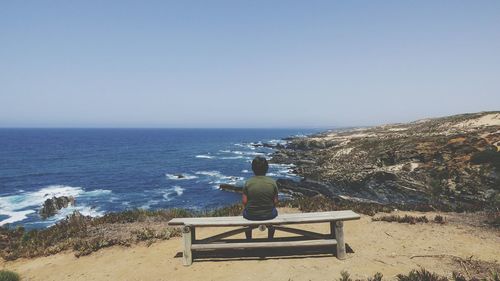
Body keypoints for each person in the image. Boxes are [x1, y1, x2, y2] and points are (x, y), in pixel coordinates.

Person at [242, 156, 278, 239]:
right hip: (269, 214)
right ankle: (270, 238)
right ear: (267, 168)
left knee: (245, 215)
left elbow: (244, 201)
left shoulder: (248, 183)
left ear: (253, 168)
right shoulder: (272, 182)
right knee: (274, 212)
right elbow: (275, 201)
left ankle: (249, 239)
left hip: (251, 215)